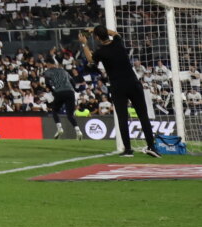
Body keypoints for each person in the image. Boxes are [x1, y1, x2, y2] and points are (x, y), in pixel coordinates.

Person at [79, 26, 161, 158]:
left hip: (118, 87)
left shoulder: (101, 51)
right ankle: (152, 147)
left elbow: (90, 60)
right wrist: (95, 28)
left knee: (122, 119)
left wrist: (84, 43)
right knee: (143, 116)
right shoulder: (118, 42)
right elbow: (115, 33)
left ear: (97, 38)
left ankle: (128, 150)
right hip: (133, 83)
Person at [41, 55, 82, 139]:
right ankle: (78, 130)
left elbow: (47, 83)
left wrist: (53, 92)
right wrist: (74, 90)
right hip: (70, 92)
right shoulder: (64, 71)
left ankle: (59, 128)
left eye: (47, 64)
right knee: (70, 114)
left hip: (59, 92)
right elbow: (72, 81)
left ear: (48, 64)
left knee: (55, 110)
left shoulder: (47, 72)